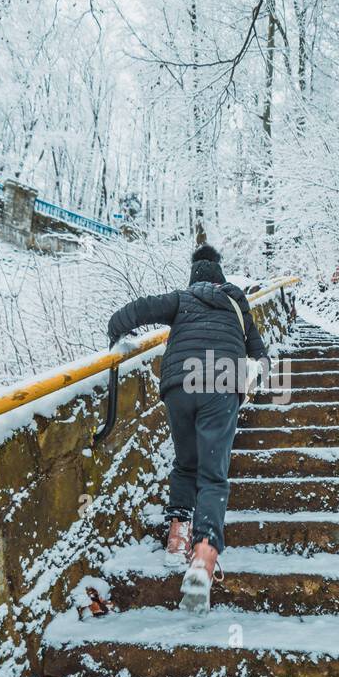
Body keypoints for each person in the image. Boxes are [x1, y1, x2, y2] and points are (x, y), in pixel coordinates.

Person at [106, 244, 268, 613]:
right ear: (221, 276)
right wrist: (260, 372)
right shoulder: (236, 302)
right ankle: (203, 556)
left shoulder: (181, 299)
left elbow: (139, 309)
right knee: (213, 475)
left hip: (180, 386)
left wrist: (115, 333)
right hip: (222, 385)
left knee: (185, 463)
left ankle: (176, 539)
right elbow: (258, 348)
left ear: (195, 277)